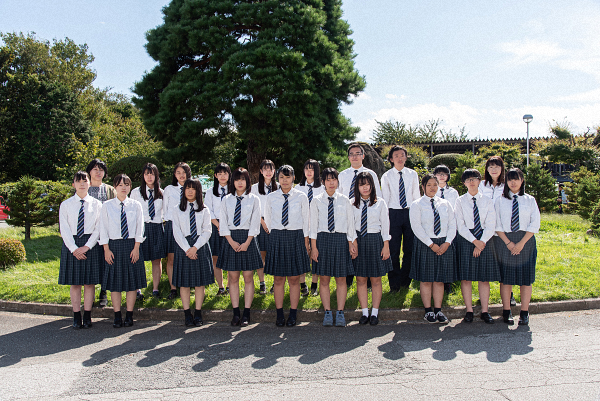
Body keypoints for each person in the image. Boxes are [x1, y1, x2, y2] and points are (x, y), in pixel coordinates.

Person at [264, 165, 311, 327]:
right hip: (277, 236)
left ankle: (292, 313)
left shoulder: (301, 196)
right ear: (278, 179)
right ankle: (279, 314)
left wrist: (306, 241)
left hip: (296, 236)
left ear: (293, 178)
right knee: (278, 279)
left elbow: (306, 220)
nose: (285, 181)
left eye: (288, 177)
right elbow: (268, 220)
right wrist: (276, 233)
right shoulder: (271, 197)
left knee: (294, 278)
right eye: (282, 178)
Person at [310, 168, 356, 327]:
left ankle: (341, 312)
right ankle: (328, 312)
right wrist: (313, 247)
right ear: (323, 182)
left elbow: (351, 224)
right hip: (323, 240)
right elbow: (313, 226)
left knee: (341, 278)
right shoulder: (316, 201)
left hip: (340, 240)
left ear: (338, 181)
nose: (331, 182)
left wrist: (351, 243)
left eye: (334, 179)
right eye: (328, 179)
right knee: (324, 278)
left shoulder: (345, 200)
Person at [99, 174, 146, 328]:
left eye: (126, 184)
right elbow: (103, 228)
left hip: (132, 245)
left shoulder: (136, 205)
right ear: (115, 187)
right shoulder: (106, 206)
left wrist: (137, 247)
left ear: (130, 187)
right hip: (114, 246)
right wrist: (106, 249)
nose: (123, 187)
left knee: (132, 284)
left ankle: (130, 315)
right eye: (120, 185)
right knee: (115, 284)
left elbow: (140, 227)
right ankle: (117, 315)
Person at [495, 168, 540, 326]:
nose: (513, 182)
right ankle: (506, 311)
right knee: (506, 279)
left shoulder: (530, 200)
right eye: (510, 179)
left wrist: (521, 243)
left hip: (525, 241)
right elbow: (496, 224)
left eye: (517, 179)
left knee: (525, 280)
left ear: (522, 181)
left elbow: (535, 223)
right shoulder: (500, 200)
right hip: (505, 241)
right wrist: (508, 243)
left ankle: (524, 312)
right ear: (506, 182)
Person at [454, 169, 500, 324]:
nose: (471, 182)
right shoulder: (460, 201)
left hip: (485, 239)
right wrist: (474, 242)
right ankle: (469, 310)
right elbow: (460, 225)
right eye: (468, 179)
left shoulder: (487, 201)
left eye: (474, 178)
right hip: (467, 239)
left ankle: (485, 311)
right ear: (464, 183)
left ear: (480, 181)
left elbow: (491, 223)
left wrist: (482, 242)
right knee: (466, 278)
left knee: (483, 278)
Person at [409, 174, 456, 324]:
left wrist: (447, 242)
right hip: (426, 244)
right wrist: (431, 244)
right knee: (426, 279)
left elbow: (452, 224)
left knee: (439, 280)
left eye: (435, 184)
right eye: (429, 185)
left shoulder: (445, 203)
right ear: (423, 187)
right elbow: (417, 227)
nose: (432, 187)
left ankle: (438, 310)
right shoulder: (417, 204)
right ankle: (428, 311)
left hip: (443, 243)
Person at [58, 171, 103, 329]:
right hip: (72, 244)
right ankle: (76, 315)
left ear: (89, 184)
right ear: (73, 184)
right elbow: (64, 229)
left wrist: (87, 247)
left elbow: (99, 228)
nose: (82, 183)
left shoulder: (97, 204)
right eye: (78, 181)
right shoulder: (66, 204)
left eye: (85, 181)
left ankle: (88, 314)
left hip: (90, 243)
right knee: (75, 283)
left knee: (90, 283)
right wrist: (74, 249)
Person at [218, 168, 262, 326]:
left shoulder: (254, 199)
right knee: (233, 277)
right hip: (231, 239)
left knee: (248, 277)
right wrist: (230, 241)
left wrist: (247, 242)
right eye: (237, 179)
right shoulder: (226, 200)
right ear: (233, 182)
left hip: (248, 239)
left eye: (243, 179)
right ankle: (236, 312)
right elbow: (223, 222)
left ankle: (247, 313)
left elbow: (255, 223)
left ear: (247, 181)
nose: (240, 182)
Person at [350, 172, 392, 326]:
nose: (365, 187)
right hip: (358, 241)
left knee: (375, 279)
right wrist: (352, 243)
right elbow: (350, 226)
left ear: (372, 185)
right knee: (360, 279)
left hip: (376, 240)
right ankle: (364, 312)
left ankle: (375, 312)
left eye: (367, 184)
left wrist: (386, 245)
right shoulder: (352, 203)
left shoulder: (380, 203)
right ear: (357, 187)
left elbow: (385, 225)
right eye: (362, 184)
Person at [338, 143, 381, 288]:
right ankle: (348, 279)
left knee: (365, 249)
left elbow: (378, 197)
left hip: (366, 217)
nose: (354, 156)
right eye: (352, 154)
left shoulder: (371, 174)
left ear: (363, 156)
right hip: (346, 216)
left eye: (358, 153)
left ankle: (368, 281)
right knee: (348, 248)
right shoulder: (342, 175)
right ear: (348, 157)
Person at [172, 178, 214, 327]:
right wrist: (187, 249)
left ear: (198, 191)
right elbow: (176, 231)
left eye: (193, 188)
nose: (190, 191)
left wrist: (195, 247)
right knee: (184, 283)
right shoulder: (177, 209)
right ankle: (186, 313)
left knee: (199, 283)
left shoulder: (204, 209)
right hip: (183, 247)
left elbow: (207, 231)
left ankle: (197, 312)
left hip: (200, 246)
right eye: (187, 188)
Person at [381, 145, 420, 292]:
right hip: (393, 214)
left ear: (406, 157)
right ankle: (394, 284)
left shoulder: (412, 174)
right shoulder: (386, 176)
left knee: (409, 249)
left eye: (402, 155)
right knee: (394, 250)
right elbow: (384, 199)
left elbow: (416, 196)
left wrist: (418, 214)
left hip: (410, 212)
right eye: (396, 155)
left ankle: (405, 282)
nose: (399, 157)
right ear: (391, 159)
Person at [479, 156, 517, 307]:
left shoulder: (507, 185)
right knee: (487, 265)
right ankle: (483, 296)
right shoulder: (482, 185)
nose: (494, 170)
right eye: (490, 167)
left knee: (505, 264)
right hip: (485, 231)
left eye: (497, 166)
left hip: (502, 231)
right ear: (487, 169)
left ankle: (509, 295)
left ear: (502, 169)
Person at [130, 163, 166, 298]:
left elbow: (165, 211)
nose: (149, 177)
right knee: (138, 258)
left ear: (156, 176)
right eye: (146, 174)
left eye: (152, 174)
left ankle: (155, 289)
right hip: (141, 228)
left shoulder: (162, 193)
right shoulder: (135, 192)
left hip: (157, 227)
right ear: (143, 176)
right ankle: (138, 289)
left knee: (156, 260)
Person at [85, 158, 116, 307]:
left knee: (105, 262)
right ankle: (88, 293)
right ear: (89, 171)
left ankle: (103, 292)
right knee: (91, 262)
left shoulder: (110, 190)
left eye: (101, 170)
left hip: (107, 232)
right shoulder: (84, 187)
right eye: (95, 169)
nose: (98, 172)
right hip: (89, 232)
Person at [163, 162, 192, 300]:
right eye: (178, 172)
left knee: (188, 255)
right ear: (175, 174)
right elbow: (165, 208)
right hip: (171, 225)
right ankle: (173, 288)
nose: (181, 175)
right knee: (172, 258)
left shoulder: (193, 188)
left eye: (184, 172)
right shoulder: (169, 189)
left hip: (188, 226)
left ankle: (188, 284)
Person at [296, 159, 325, 296]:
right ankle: (303, 284)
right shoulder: (297, 188)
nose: (309, 172)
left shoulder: (322, 188)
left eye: (312, 169)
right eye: (306, 169)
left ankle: (314, 284)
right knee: (302, 256)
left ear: (316, 171)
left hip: (317, 227)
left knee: (315, 254)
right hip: (300, 227)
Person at [250, 160, 278, 295]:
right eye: (265, 169)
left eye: (270, 169)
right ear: (261, 171)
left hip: (276, 225)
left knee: (274, 254)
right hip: (260, 224)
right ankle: (262, 283)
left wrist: (271, 224)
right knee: (261, 254)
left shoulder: (279, 186)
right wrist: (263, 222)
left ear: (274, 171)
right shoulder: (254, 188)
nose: (268, 172)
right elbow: (254, 208)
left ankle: (275, 283)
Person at [204, 163, 231, 295]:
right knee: (216, 257)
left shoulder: (234, 190)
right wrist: (218, 225)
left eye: (224, 173)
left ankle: (230, 286)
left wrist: (226, 226)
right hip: (216, 226)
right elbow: (208, 210)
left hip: (231, 226)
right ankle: (220, 287)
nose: (222, 176)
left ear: (229, 175)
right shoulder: (210, 192)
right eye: (219, 174)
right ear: (215, 175)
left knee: (231, 257)